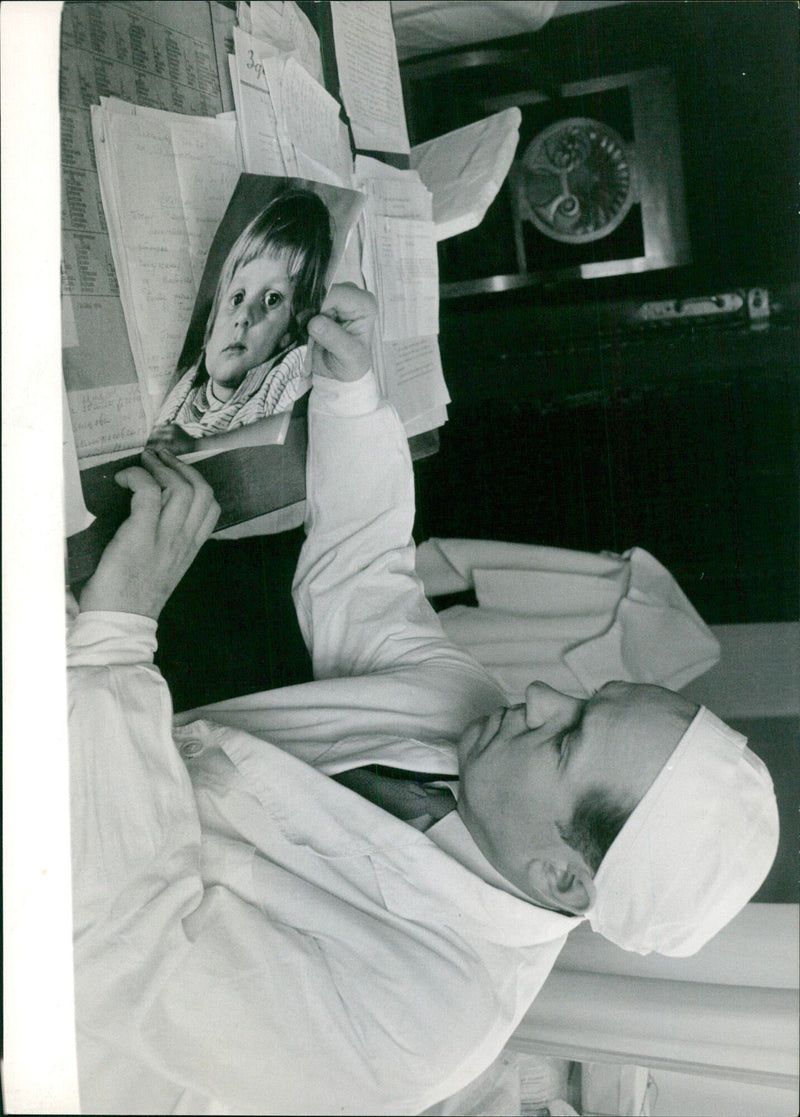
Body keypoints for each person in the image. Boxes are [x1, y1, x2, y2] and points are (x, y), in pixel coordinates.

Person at [69, 285, 779, 1115]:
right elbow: (365, 578)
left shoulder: (424, 1025)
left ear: (561, 877)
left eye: (567, 738)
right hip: (84, 744)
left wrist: (120, 632)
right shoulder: (482, 732)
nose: (544, 695)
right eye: (589, 697)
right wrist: (351, 394)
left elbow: (124, 951)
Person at [147, 187, 332, 456]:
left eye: (271, 299)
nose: (244, 317)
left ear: (290, 332)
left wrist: (200, 445)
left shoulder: (285, 372)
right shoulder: (186, 388)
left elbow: (277, 426)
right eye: (237, 298)